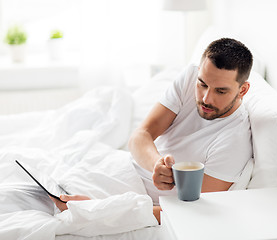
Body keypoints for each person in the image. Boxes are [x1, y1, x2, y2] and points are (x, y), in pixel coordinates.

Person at [52, 38, 254, 223]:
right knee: (47, 190)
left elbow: (191, 211)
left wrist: (97, 209)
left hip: (138, 203)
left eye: (221, 91)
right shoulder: (191, 75)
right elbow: (141, 135)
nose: (206, 98)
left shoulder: (234, 141)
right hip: (122, 169)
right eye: (202, 84)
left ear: (243, 90)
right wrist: (156, 164)